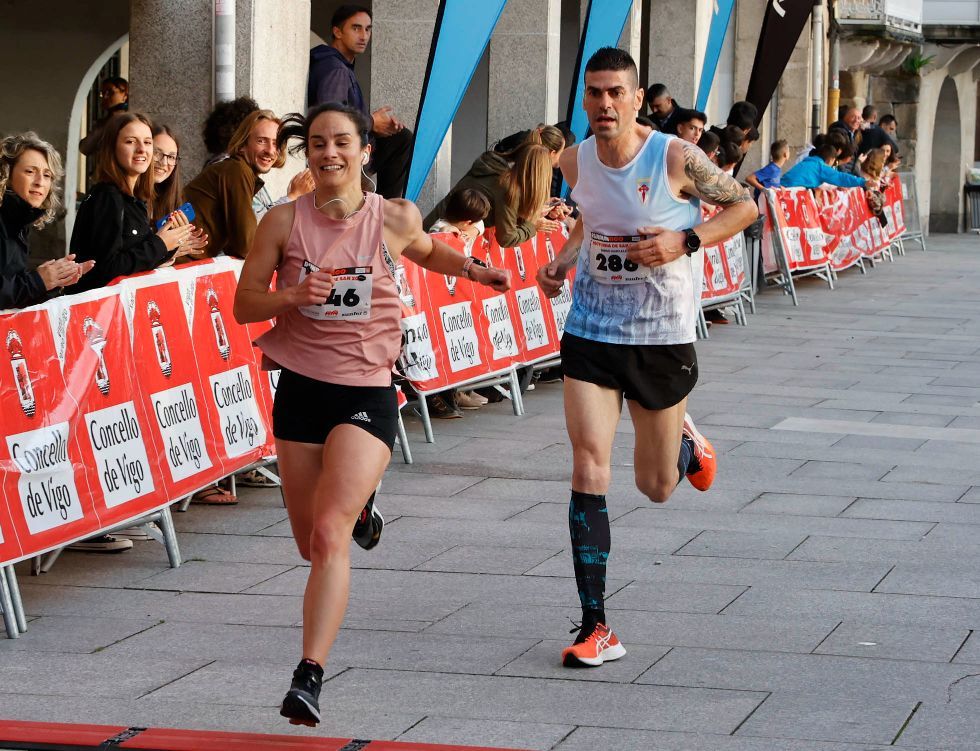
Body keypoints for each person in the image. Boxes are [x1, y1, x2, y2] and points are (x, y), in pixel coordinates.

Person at [233, 102, 510, 726]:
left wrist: (473, 269)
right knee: (310, 544)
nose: (330, 153)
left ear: (364, 152)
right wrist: (293, 295)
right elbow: (244, 304)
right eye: (319, 144)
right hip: (302, 387)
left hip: (367, 389)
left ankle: (309, 676)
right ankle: (360, 503)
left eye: (343, 143)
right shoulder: (282, 222)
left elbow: (426, 248)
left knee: (331, 534)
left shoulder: (394, 216)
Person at [536, 47, 757, 668]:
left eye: (616, 94)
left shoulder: (674, 156)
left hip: (661, 337)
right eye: (594, 93)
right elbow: (589, 217)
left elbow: (745, 205)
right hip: (592, 331)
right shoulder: (574, 160)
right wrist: (562, 258)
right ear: (585, 99)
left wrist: (683, 240)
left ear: (637, 100)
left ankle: (684, 437)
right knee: (588, 468)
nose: (604, 104)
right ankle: (596, 625)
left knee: (656, 487)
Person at [68, 113, 198, 295]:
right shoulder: (108, 196)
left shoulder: (133, 199)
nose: (141, 149)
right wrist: (160, 244)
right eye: (130, 142)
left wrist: (170, 247)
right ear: (112, 148)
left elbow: (133, 259)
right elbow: (106, 269)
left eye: (147, 142)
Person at [308, 4, 412, 199]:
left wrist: (383, 127)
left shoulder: (341, 65)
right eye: (356, 28)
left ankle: (385, 210)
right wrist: (371, 122)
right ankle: (385, 212)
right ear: (337, 31)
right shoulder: (335, 69)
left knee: (400, 138)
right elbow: (331, 119)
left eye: (368, 29)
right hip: (337, 155)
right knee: (403, 141)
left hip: (350, 148)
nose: (363, 36)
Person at [424, 128, 563, 246]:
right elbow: (506, 238)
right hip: (441, 237)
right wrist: (531, 225)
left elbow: (502, 213)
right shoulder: (508, 186)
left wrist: (537, 214)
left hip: (437, 231)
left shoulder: (497, 168)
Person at [1, 132, 93, 309]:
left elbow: (13, 294)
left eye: (47, 175)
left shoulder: (19, 220)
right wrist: (38, 281)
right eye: (30, 171)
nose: (40, 182)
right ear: (7, 175)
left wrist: (54, 281)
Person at [184, 109, 286, 259]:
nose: (270, 151)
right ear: (243, 144)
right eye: (261, 141)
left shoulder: (240, 170)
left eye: (276, 143)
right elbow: (246, 246)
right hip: (171, 267)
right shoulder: (237, 170)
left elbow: (235, 244)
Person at [426, 187, 493, 415]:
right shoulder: (440, 231)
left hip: (460, 298)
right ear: (465, 221)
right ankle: (453, 393)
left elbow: (480, 224)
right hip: (443, 298)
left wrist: (473, 232)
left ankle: (463, 388)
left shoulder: (464, 226)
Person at [79, 77, 130, 157]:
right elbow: (85, 148)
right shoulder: (104, 122)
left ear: (125, 96)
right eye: (103, 93)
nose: (105, 97)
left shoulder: (130, 120)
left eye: (110, 92)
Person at [781, 143, 867, 190]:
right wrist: (862, 182)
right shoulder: (821, 168)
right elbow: (840, 177)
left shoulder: (808, 161)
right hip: (790, 191)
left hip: (781, 187)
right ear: (830, 160)